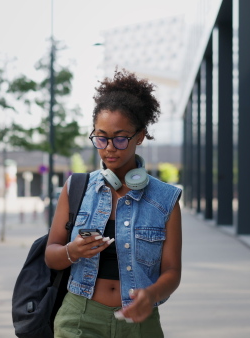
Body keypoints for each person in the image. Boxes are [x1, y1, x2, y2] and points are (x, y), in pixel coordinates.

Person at [45, 69, 182, 337]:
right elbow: (51, 254)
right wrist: (73, 251)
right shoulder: (76, 188)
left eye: (120, 138)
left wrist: (150, 293)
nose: (109, 147)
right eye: (101, 137)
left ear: (139, 136)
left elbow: (172, 271)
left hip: (139, 323)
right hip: (79, 319)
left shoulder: (166, 199)